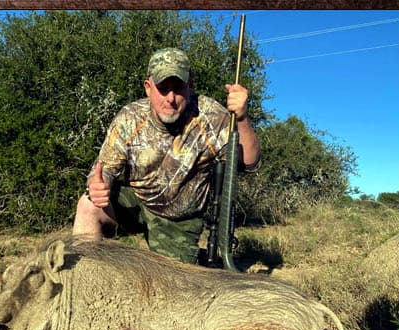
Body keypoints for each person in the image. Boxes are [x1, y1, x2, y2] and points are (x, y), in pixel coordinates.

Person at [72, 47, 260, 264]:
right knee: (88, 206)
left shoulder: (211, 116)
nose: (170, 98)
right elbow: (102, 171)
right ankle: (87, 285)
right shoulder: (129, 118)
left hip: (179, 221)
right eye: (163, 88)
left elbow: (249, 162)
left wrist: (243, 118)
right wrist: (98, 186)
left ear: (190, 86)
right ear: (148, 87)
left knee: (173, 290)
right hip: (136, 203)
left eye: (178, 88)